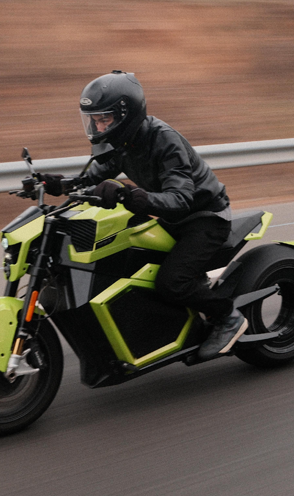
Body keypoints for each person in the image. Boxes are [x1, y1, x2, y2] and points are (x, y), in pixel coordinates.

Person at [44, 70, 247, 360]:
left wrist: (130, 195)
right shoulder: (120, 143)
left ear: (127, 114)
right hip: (168, 216)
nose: (99, 126)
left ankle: (229, 317)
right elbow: (94, 177)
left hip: (203, 217)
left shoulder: (164, 140)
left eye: (105, 119)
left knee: (171, 282)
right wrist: (59, 183)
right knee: (133, 268)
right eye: (95, 119)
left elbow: (180, 198)